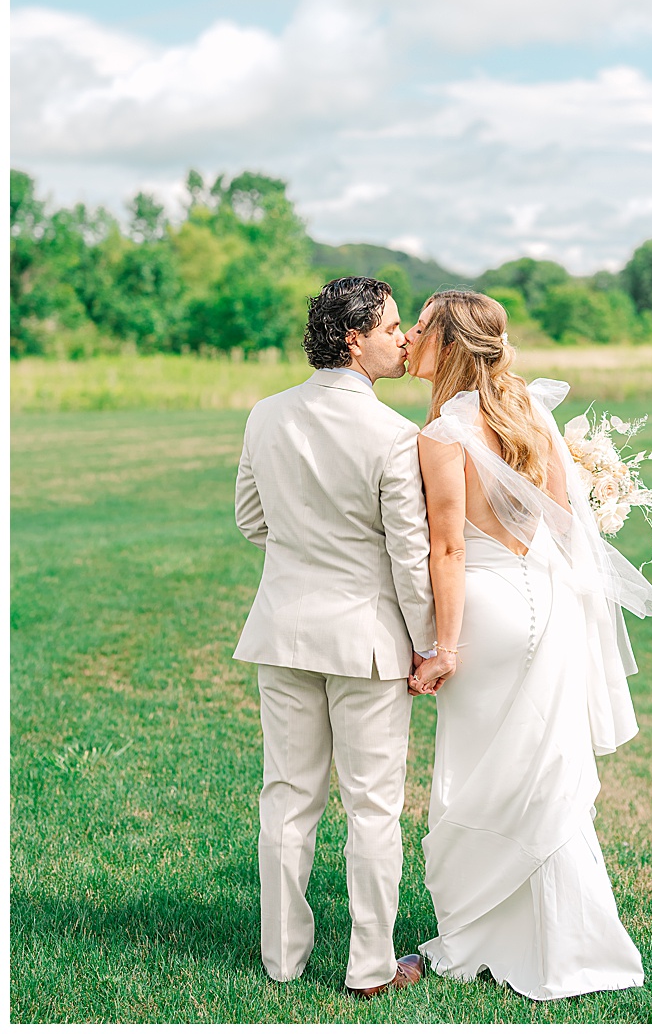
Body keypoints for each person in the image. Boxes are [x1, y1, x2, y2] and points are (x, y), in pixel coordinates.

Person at [403, 289, 652, 1001]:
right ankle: (561, 943)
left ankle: (503, 938)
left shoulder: (442, 436)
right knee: (540, 776)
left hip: (486, 612)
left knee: (488, 770)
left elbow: (449, 549)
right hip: (545, 603)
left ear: (448, 345)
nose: (408, 338)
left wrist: (443, 647)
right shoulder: (527, 413)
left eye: (421, 328)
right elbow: (559, 525)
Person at [233, 276, 433, 998]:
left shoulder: (265, 414)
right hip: (368, 643)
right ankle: (372, 968)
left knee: (287, 797)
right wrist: (430, 644)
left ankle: (281, 960)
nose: (404, 337)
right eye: (391, 327)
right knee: (374, 808)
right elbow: (411, 558)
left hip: (283, 632)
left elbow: (252, 521)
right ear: (354, 338)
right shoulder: (393, 435)